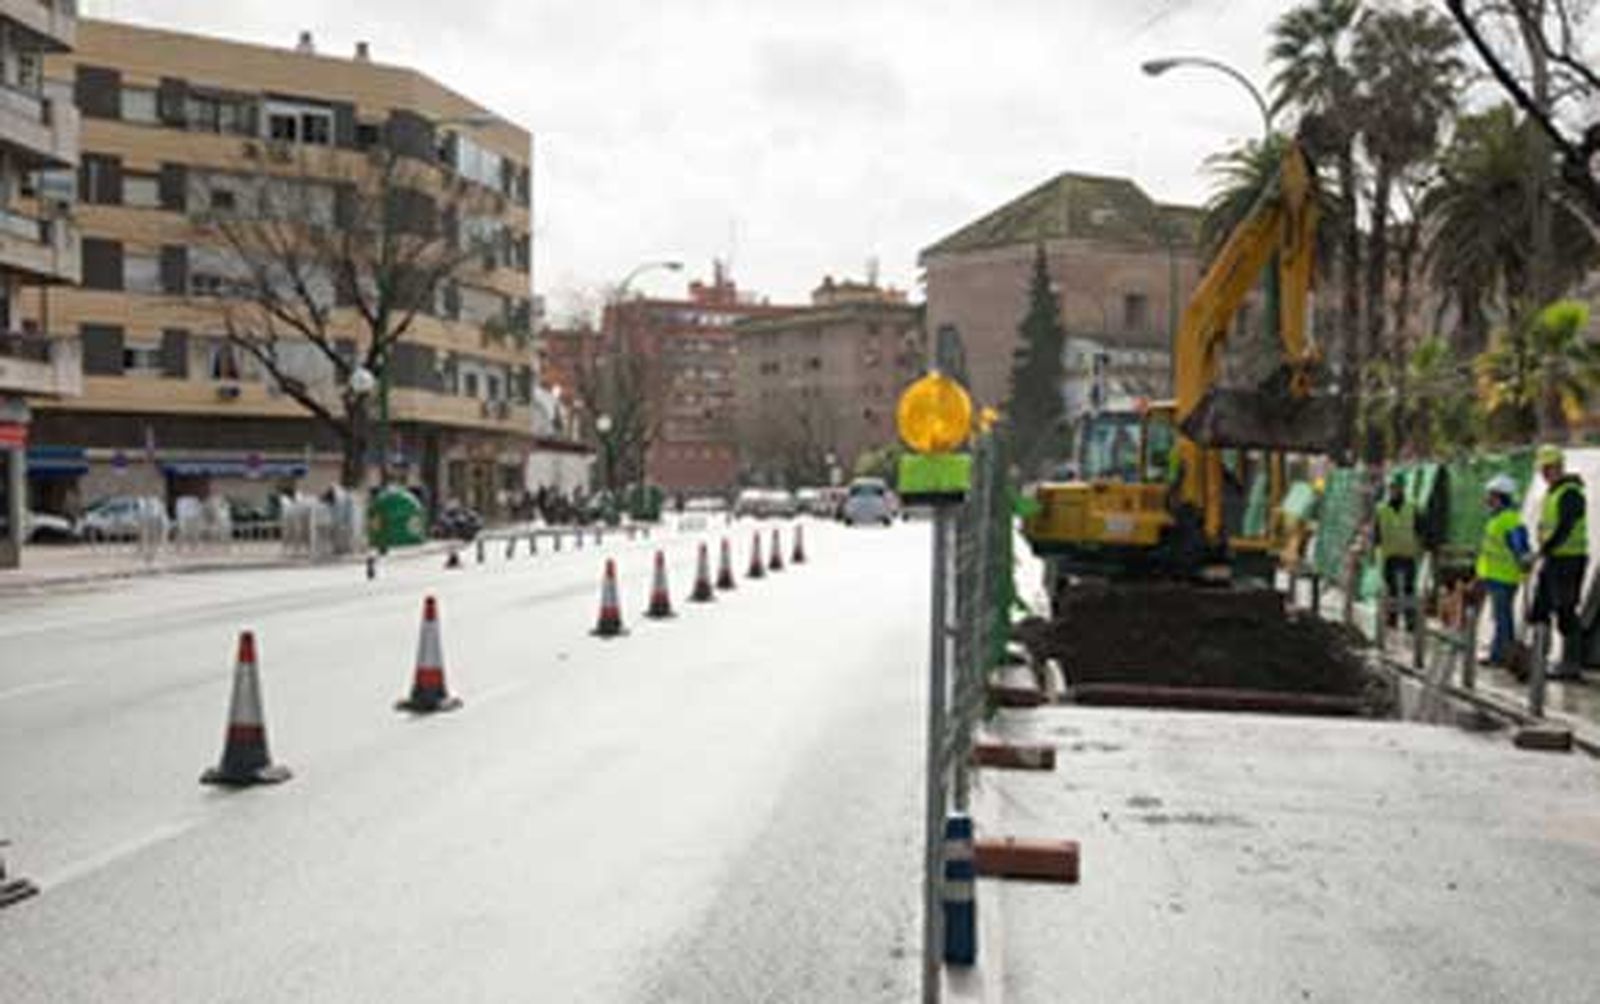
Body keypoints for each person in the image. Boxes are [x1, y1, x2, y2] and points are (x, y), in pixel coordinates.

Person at [1531, 445, 1588, 679]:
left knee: (1565, 610)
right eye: (1542, 469)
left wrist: (1545, 548)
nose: (1544, 474)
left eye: (1548, 468)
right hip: (1553, 559)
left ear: (1558, 467)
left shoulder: (1571, 493)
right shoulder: (1552, 493)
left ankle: (1571, 664)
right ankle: (1537, 659)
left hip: (1569, 559)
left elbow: (1565, 527)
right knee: (1539, 608)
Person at [1474, 475, 1532, 667]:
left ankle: (1502, 655)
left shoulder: (1510, 520)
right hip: (1494, 575)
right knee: (1499, 616)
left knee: (1503, 617)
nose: (1487, 499)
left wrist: (1523, 560)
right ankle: (1499, 653)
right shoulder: (1497, 519)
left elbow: (1520, 546)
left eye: (1490, 496)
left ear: (1499, 497)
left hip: (1504, 577)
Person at [1374, 474, 1423, 630]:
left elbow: (1421, 528)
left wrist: (1424, 546)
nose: (1393, 490)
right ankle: (1391, 620)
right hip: (1389, 554)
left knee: (1409, 588)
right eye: (1391, 487)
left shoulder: (1412, 507)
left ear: (1402, 488)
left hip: (1409, 553)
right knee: (1391, 588)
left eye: (1396, 487)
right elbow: (1376, 532)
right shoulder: (1381, 509)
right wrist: (1373, 546)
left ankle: (1410, 621)